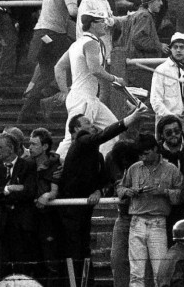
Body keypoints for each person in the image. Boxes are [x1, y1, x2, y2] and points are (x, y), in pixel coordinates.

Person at [59, 101, 149, 285]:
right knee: (73, 252)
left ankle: (88, 284)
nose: (92, 125)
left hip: (84, 211)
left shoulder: (98, 156)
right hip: (68, 212)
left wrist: (98, 191)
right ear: (76, 129)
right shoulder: (81, 141)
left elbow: (104, 180)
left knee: (84, 251)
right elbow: (102, 136)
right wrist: (129, 119)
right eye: (87, 123)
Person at [18, 0, 81, 123]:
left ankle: (29, 111)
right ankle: (51, 100)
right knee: (77, 61)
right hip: (53, 35)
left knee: (46, 75)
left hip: (41, 34)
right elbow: (73, 12)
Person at [117, 133, 184, 287]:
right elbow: (120, 188)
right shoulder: (134, 168)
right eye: (140, 154)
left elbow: (181, 195)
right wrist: (128, 192)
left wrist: (164, 192)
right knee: (136, 274)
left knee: (160, 273)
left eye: (146, 153)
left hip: (158, 222)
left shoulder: (171, 169)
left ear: (155, 149)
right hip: (137, 222)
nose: (143, 157)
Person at [54, 11, 122, 159]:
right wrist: (115, 79)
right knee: (71, 139)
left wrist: (65, 92)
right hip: (84, 99)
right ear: (92, 24)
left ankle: (101, 164)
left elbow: (58, 67)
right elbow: (95, 69)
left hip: (85, 98)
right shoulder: (91, 43)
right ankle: (54, 166)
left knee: (113, 129)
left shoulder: (76, 44)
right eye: (101, 21)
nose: (105, 24)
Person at [0, 132, 39, 278]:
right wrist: (8, 189)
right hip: (0, 227)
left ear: (11, 148)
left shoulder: (28, 166)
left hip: (21, 227)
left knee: (23, 270)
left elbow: (29, 192)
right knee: (2, 270)